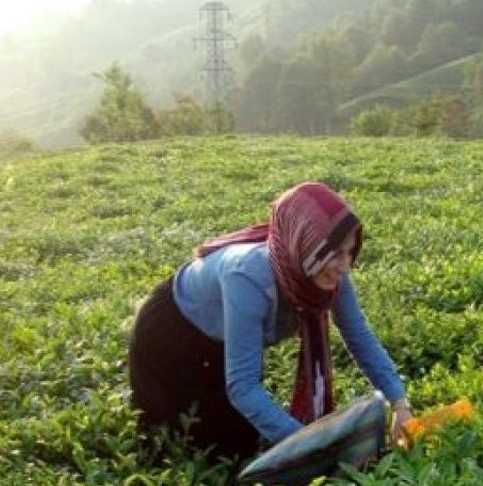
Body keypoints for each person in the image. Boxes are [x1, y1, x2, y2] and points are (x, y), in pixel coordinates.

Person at [128, 181, 413, 460]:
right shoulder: (248, 277)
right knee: (188, 447)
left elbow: (358, 335)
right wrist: (312, 444)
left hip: (222, 339)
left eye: (351, 252)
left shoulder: (330, 274)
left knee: (243, 442)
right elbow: (242, 386)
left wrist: (399, 404)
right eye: (336, 254)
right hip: (172, 336)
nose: (346, 265)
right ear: (306, 246)